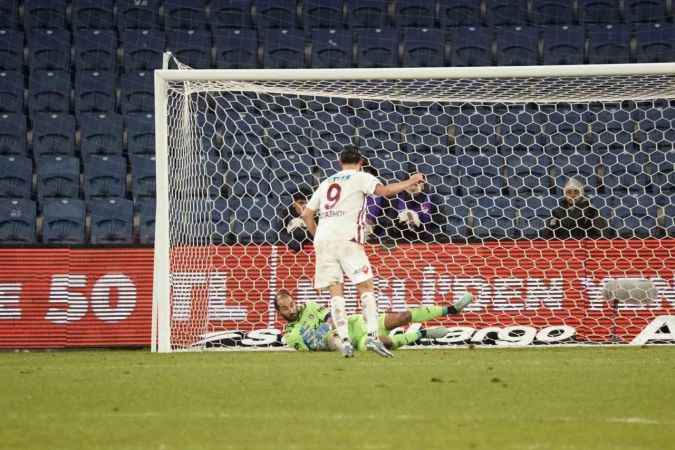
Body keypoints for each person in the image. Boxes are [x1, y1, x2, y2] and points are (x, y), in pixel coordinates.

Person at [301, 146, 426, 358]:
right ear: (360, 162)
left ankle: (344, 340)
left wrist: (317, 237)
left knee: (335, 290)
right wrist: (411, 181)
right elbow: (384, 192)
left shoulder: (326, 182)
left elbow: (306, 215)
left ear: (340, 162)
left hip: (323, 240)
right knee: (365, 286)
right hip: (348, 239)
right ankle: (372, 337)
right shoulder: (361, 177)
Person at [275, 289, 474, 352]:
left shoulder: (309, 305)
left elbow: (332, 316)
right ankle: (420, 334)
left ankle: (452, 309)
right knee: (382, 342)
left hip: (355, 323)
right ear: (279, 312)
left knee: (402, 317)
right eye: (285, 308)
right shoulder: (291, 335)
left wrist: (330, 327)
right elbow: (318, 348)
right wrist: (331, 338)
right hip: (353, 342)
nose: (291, 309)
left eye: (291, 304)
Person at [542, 177, 615, 240]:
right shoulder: (557, 212)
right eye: (569, 192)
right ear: (564, 194)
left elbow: (603, 234)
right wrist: (551, 227)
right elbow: (547, 235)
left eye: (576, 192)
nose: (572, 195)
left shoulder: (591, 211)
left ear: (581, 193)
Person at [279, 187, 313, 252]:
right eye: (301, 203)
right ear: (294, 204)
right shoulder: (285, 213)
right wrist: (290, 241)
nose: (304, 206)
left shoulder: (314, 213)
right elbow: (280, 233)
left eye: (307, 203)